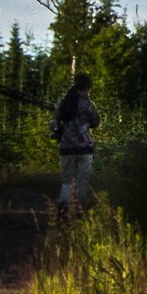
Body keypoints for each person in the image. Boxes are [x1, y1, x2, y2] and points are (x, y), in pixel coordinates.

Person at [53, 73, 100, 212]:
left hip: (66, 148)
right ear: (86, 88)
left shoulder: (64, 102)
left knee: (67, 180)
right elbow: (96, 122)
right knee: (82, 181)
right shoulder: (88, 104)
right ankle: (78, 208)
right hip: (84, 148)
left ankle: (63, 206)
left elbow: (56, 120)